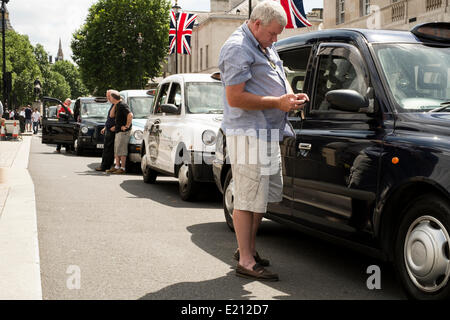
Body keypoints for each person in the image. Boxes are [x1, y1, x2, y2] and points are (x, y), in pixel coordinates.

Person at [218, 1, 309, 281]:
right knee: (247, 198)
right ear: (256, 24)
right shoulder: (237, 48)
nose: (275, 39)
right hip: (248, 133)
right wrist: (278, 102)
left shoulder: (263, 44)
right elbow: (235, 98)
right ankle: (246, 261)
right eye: (272, 33)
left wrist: (290, 96)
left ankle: (248, 251)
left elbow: (280, 76)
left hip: (267, 132)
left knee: (261, 198)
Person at [106, 90, 133, 174]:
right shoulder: (117, 105)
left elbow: (130, 115)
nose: (109, 99)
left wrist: (127, 126)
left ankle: (122, 168)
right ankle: (117, 166)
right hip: (118, 131)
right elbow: (111, 115)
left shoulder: (122, 105)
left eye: (110, 97)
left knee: (122, 151)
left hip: (123, 132)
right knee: (117, 150)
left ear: (114, 98)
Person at [96, 90, 116, 171]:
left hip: (112, 130)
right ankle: (105, 165)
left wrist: (115, 126)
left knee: (109, 149)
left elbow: (119, 117)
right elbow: (109, 118)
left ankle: (105, 166)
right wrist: (105, 127)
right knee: (107, 149)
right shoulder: (113, 105)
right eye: (107, 96)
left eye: (109, 96)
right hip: (108, 129)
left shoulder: (117, 105)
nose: (108, 98)